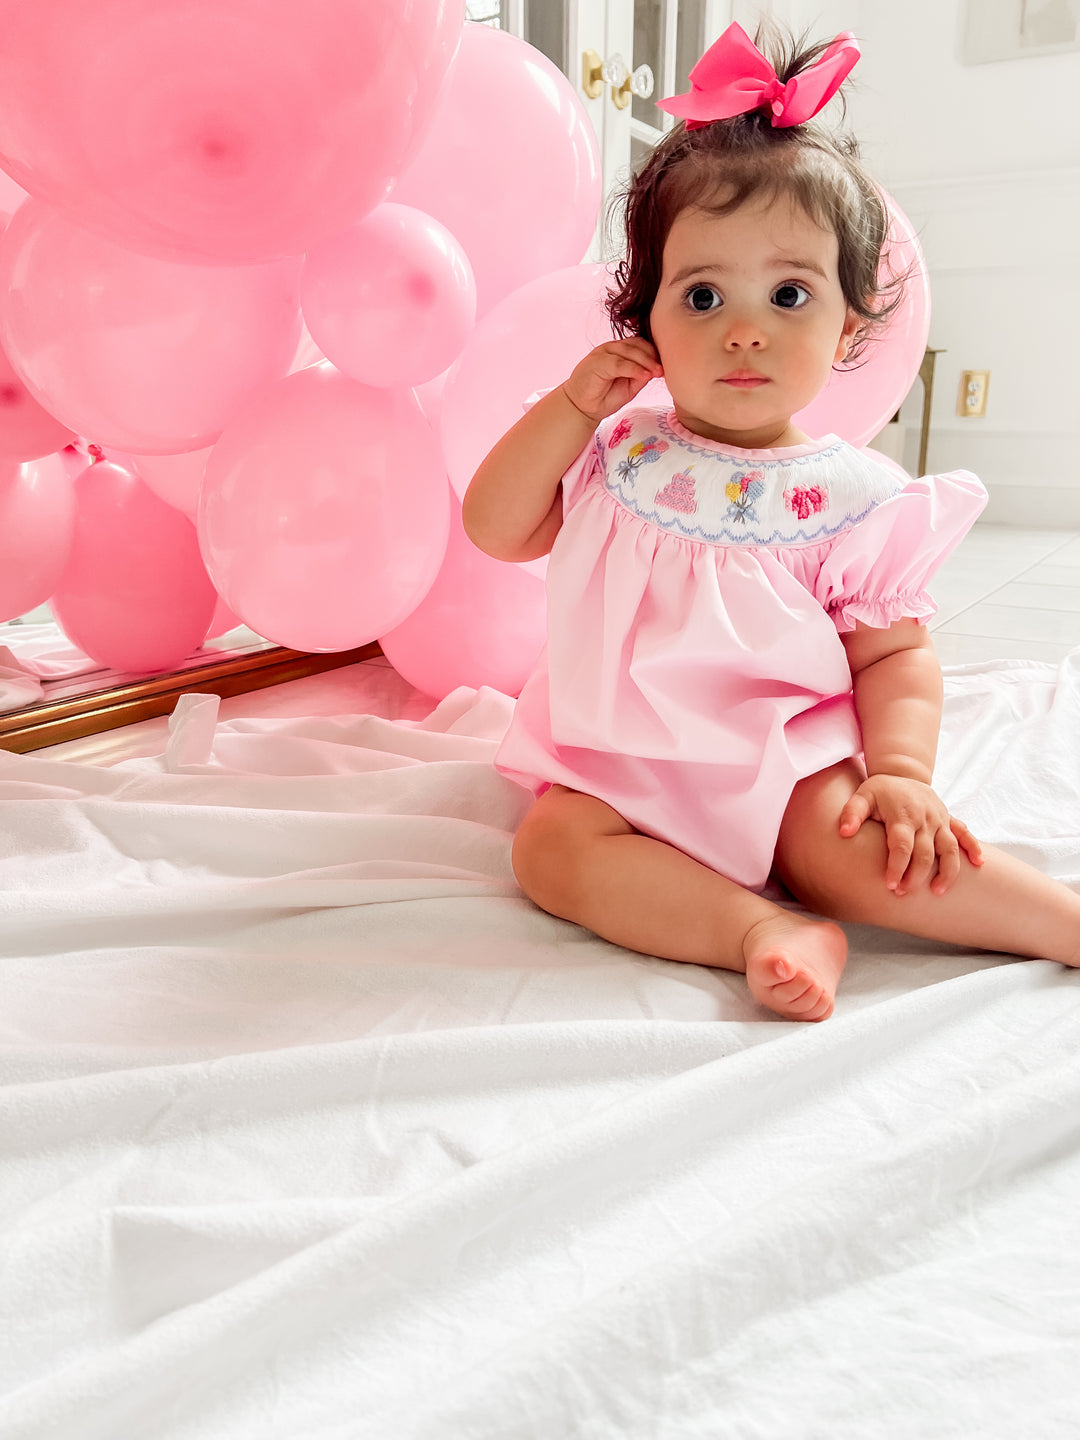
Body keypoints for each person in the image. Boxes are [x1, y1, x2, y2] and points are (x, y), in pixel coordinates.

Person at [462, 20, 1080, 1022]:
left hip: (779, 763)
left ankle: (1058, 919)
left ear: (848, 325)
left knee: (861, 853)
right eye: (701, 295)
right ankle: (761, 930)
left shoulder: (852, 494)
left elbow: (892, 659)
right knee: (550, 851)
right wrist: (569, 408)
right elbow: (496, 528)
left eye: (789, 294)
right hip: (615, 763)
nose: (744, 328)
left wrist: (905, 775)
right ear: (645, 321)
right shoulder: (619, 450)